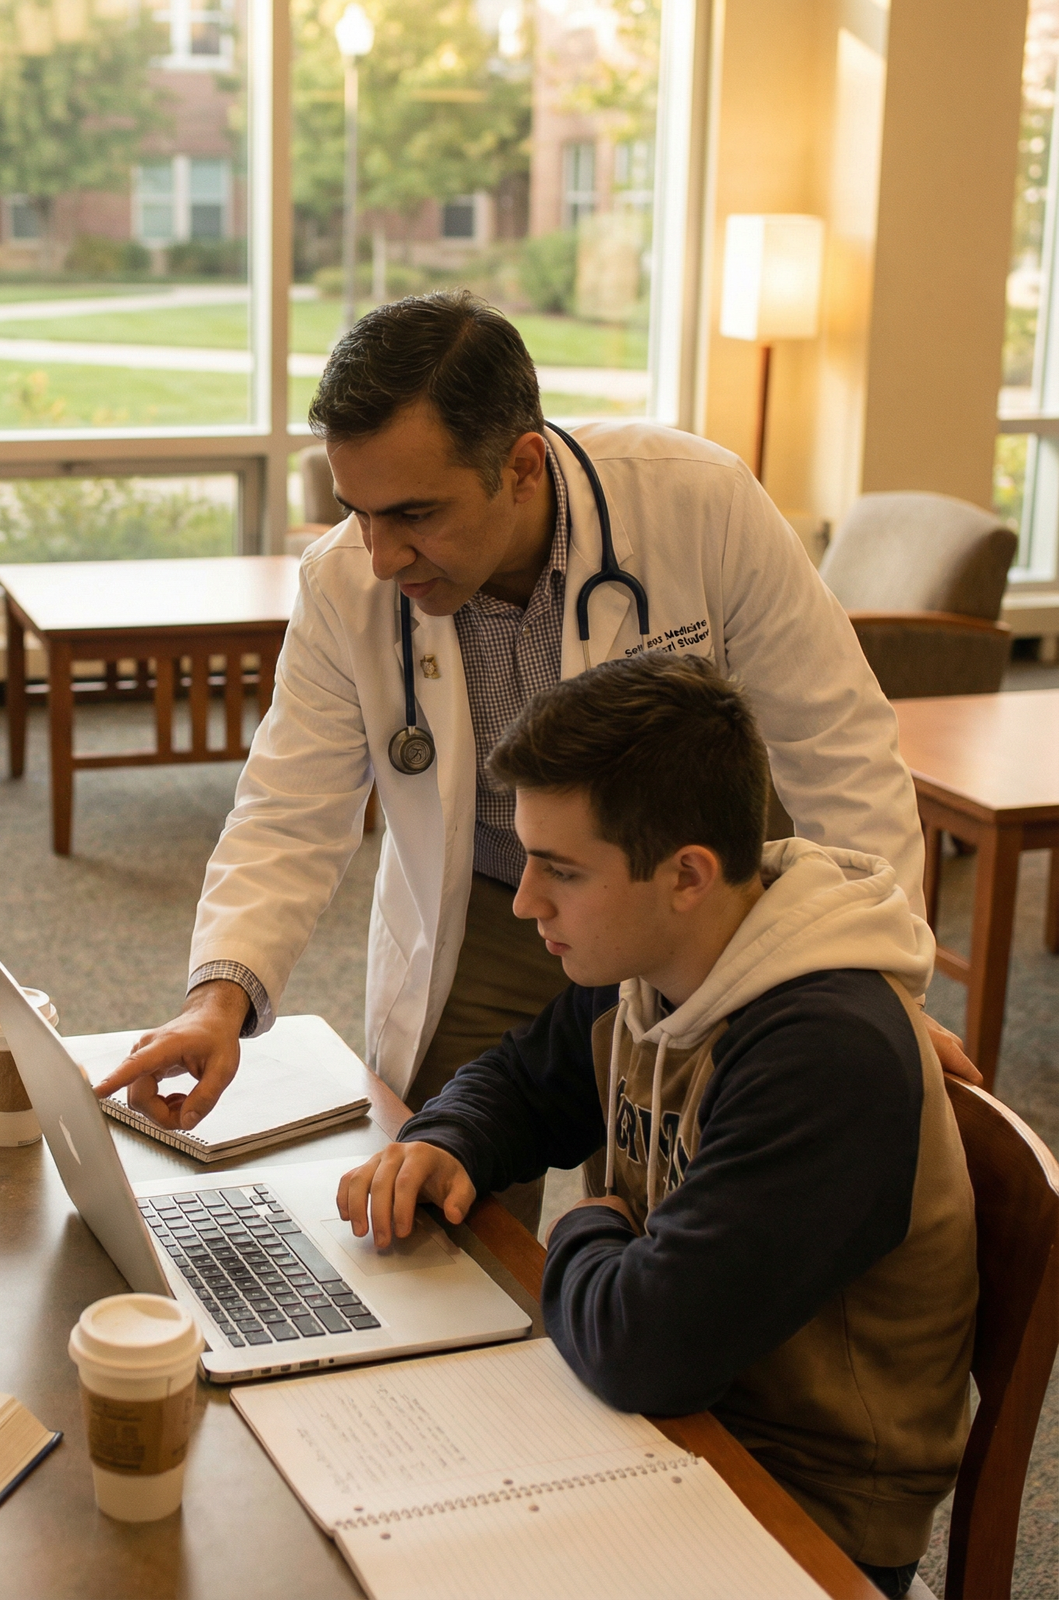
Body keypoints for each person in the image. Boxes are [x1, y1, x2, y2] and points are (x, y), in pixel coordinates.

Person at [96, 290, 967, 1180]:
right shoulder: (343, 583)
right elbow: (288, 807)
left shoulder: (700, 502)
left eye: (415, 514)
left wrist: (879, 983)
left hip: (689, 915)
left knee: (682, 1186)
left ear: (520, 466)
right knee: (431, 1180)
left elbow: (837, 743)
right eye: (357, 511)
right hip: (495, 906)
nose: (381, 556)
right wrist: (217, 999)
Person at [336, 653, 977, 1600]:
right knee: (370, 1490)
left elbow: (648, 1351)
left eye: (561, 871)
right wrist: (447, 1137)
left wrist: (583, 1225)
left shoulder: (824, 1055)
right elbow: (523, 1081)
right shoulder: (659, 960)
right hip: (667, 1427)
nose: (526, 901)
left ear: (686, 875)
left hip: (799, 1507)